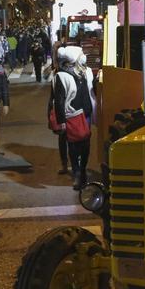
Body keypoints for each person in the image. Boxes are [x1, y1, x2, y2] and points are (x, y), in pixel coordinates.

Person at [53, 48, 93, 190]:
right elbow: (58, 101)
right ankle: (77, 172)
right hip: (73, 115)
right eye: (81, 55)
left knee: (86, 144)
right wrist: (61, 121)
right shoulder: (61, 76)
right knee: (74, 146)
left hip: (86, 113)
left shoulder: (86, 72)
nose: (84, 57)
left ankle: (82, 170)